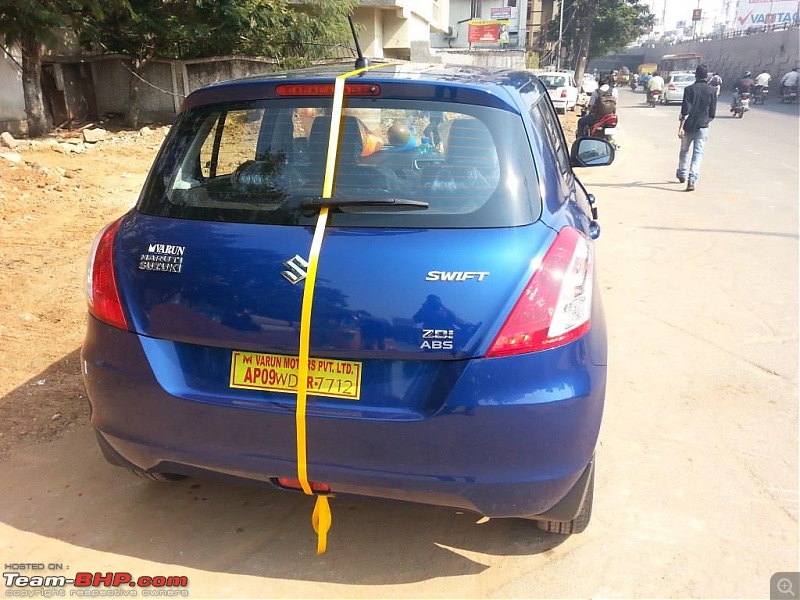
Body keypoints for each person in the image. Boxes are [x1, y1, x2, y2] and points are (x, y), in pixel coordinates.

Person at [676, 65, 717, 192]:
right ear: (706, 76)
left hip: (689, 125)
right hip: (703, 126)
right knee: (698, 154)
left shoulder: (689, 89)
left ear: (696, 75)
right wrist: (705, 122)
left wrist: (680, 127)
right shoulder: (712, 90)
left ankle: (682, 173)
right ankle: (691, 180)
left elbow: (685, 110)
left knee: (684, 151)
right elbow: (712, 113)